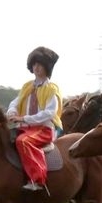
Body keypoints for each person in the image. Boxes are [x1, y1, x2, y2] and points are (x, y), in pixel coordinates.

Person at [6, 46, 64, 191]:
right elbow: (15, 102)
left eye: (40, 65)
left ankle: (37, 180)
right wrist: (12, 112)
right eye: (35, 64)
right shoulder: (27, 86)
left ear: (47, 67)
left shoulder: (52, 89)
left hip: (44, 129)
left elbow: (49, 113)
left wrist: (24, 118)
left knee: (23, 141)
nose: (36, 67)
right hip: (25, 128)